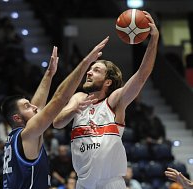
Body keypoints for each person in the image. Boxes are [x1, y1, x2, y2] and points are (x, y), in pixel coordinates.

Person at [53, 11, 159, 189]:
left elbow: (141, 77)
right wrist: (73, 109)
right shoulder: (78, 98)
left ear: (108, 81)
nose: (89, 72)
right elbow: (57, 123)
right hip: (83, 183)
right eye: (90, 69)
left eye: (96, 70)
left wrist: (154, 39)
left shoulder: (114, 101)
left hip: (110, 183)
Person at [1, 37, 109, 189]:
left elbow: (37, 106)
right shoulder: (28, 133)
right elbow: (60, 98)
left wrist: (49, 74)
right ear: (17, 118)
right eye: (27, 106)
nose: (34, 107)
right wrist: (85, 62)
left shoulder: (14, 138)